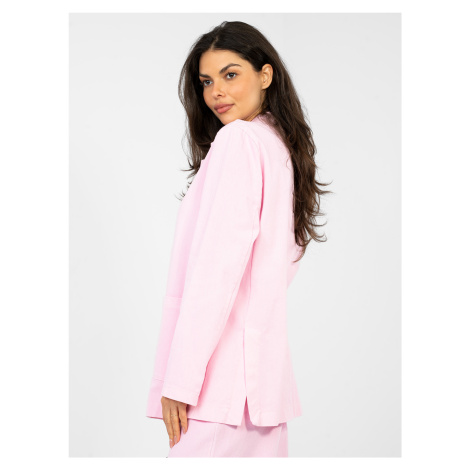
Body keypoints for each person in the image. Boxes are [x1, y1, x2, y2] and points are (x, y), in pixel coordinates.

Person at [146, 20, 331, 458]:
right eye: (207, 81)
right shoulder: (280, 148)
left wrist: (180, 381)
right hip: (262, 393)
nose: (217, 92)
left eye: (231, 74)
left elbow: (216, 272)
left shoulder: (239, 140)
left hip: (220, 390)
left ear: (265, 75)